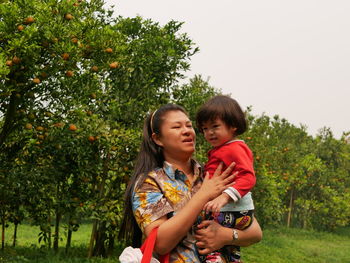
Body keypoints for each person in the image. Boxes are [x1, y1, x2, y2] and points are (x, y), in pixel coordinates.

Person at [119, 104, 262, 263]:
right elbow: (160, 243)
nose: (187, 130)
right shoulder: (150, 182)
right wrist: (203, 195)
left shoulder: (212, 174)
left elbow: (255, 232)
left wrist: (225, 236)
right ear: (158, 139)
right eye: (177, 127)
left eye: (189, 125)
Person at [195, 95, 256, 262]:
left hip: (233, 211)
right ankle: (231, 257)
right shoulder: (223, 149)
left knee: (203, 229)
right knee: (228, 249)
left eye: (215, 126)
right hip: (233, 212)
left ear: (233, 125)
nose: (209, 133)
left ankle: (211, 256)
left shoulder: (234, 148)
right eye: (205, 128)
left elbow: (248, 177)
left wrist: (224, 197)